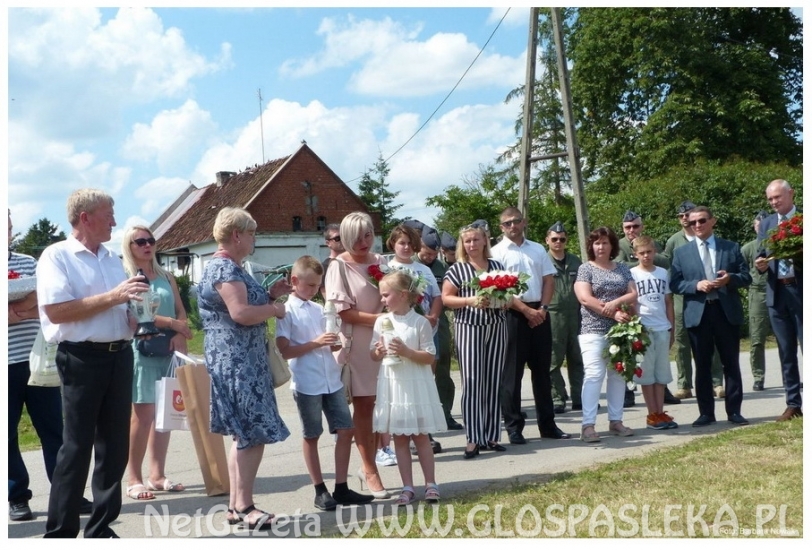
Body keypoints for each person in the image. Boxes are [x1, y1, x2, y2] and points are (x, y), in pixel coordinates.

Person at [37, 189, 150, 538]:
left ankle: (101, 528)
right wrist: (116, 296)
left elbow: (117, 306)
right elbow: (57, 310)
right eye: (109, 214)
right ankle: (61, 533)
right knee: (76, 446)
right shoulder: (57, 256)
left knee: (115, 447)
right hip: (81, 357)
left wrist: (134, 317)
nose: (115, 222)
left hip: (120, 355)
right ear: (85, 217)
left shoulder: (112, 259)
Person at [197, 207, 291, 530]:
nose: (254, 238)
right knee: (253, 431)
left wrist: (268, 294)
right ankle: (246, 506)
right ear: (236, 235)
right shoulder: (225, 268)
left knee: (243, 434)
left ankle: (236, 506)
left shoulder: (227, 267)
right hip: (238, 362)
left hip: (238, 359)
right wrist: (274, 309)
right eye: (251, 233)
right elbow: (239, 313)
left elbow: (238, 306)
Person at [8, 211, 92, 522]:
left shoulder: (27, 263)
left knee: (55, 430)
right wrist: (24, 307)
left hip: (36, 359)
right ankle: (17, 496)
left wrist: (17, 312)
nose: (8, 229)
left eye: (9, 224)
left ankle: (67, 493)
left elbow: (43, 299)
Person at [275, 256, 375, 511]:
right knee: (312, 434)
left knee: (346, 429)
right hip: (306, 381)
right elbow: (284, 350)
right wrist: (316, 343)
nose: (313, 290)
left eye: (317, 285)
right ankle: (319, 488)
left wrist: (336, 343)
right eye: (309, 285)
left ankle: (341, 487)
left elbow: (331, 343)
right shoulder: (287, 311)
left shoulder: (321, 309)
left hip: (331, 378)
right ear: (294, 281)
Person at [122, 225, 193, 501]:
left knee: (165, 414)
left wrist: (179, 331)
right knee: (142, 416)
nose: (147, 245)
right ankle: (134, 478)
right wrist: (174, 324)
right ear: (129, 246)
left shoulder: (165, 276)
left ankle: (157, 474)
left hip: (169, 349)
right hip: (143, 349)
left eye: (150, 240)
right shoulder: (129, 277)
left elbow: (180, 308)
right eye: (140, 241)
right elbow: (138, 314)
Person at [323, 211, 390, 499]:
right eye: (357, 237)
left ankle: (375, 458)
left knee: (381, 405)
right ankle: (368, 468)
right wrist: (380, 320)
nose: (364, 242)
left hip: (386, 340)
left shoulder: (382, 262)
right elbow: (344, 311)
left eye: (368, 235)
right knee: (364, 406)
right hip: (358, 343)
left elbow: (398, 293)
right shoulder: (338, 266)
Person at [491, 207, 569, 444]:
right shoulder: (496, 252)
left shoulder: (537, 249)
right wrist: (525, 310)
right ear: (501, 227)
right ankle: (514, 428)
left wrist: (542, 309)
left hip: (540, 312)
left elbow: (548, 279)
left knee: (542, 373)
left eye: (516, 221)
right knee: (511, 375)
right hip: (513, 313)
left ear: (524, 221)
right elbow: (498, 289)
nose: (512, 226)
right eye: (507, 223)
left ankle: (548, 425)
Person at [670, 205, 751, 428]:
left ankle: (734, 411)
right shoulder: (681, 253)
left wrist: (730, 278)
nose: (697, 225)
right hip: (699, 313)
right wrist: (696, 284)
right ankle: (706, 413)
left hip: (725, 311)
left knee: (731, 363)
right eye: (692, 222)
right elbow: (674, 283)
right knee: (703, 365)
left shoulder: (730, 247)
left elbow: (746, 277)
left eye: (702, 220)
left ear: (712, 221)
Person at [370, 270, 446, 505]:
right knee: (400, 438)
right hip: (394, 386)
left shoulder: (420, 322)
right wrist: (378, 352)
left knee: (421, 436)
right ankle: (407, 486)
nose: (382, 300)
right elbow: (373, 354)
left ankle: (431, 483)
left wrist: (407, 352)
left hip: (415, 385)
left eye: (385, 295)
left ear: (403, 295)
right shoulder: (382, 321)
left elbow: (429, 357)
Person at [442, 222, 508, 459]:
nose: (472, 244)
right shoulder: (457, 269)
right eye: (467, 241)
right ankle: (473, 438)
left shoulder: (497, 266)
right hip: (469, 327)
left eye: (476, 240)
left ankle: (491, 435)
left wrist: (502, 300)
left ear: (484, 241)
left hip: (497, 326)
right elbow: (446, 298)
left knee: (493, 380)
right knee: (472, 382)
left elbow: (509, 296)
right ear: (463, 244)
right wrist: (470, 301)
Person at [574, 227, 638, 443]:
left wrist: (617, 306)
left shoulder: (622, 268)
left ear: (612, 246)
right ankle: (588, 425)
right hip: (593, 330)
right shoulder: (585, 269)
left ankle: (616, 421)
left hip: (620, 332)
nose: (601, 247)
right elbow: (585, 298)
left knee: (618, 375)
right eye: (597, 243)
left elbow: (633, 293)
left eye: (605, 243)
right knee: (593, 375)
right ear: (591, 246)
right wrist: (612, 312)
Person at [386, 223, 445, 453]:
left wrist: (433, 316)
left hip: (425, 331)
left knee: (425, 381)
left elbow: (437, 297)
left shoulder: (424, 269)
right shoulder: (386, 267)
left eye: (411, 243)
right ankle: (402, 435)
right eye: (402, 243)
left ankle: (423, 432)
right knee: (400, 384)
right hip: (399, 333)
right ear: (393, 243)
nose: (407, 247)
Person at [663, 201, 725, 400]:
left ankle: (717, 383)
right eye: (681, 216)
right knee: (682, 343)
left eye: (688, 214)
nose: (685, 219)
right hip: (683, 299)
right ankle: (684, 384)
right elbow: (669, 270)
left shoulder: (707, 235)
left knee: (712, 342)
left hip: (709, 298)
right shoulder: (674, 241)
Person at [755, 179, 803, 421]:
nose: (774, 202)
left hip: (802, 291)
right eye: (770, 199)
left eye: (778, 197)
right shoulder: (767, 224)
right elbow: (759, 254)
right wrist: (760, 264)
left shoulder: (804, 220)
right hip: (777, 293)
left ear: (791, 194)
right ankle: (793, 403)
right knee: (786, 352)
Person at [630, 236, 677, 430]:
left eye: (649, 252)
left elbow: (668, 302)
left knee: (661, 373)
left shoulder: (662, 273)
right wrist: (635, 328)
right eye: (641, 253)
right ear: (635, 254)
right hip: (644, 328)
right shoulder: (632, 274)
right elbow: (632, 304)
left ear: (654, 252)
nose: (646, 256)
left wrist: (671, 327)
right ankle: (651, 414)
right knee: (646, 373)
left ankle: (660, 412)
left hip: (662, 327)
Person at [416, 230, 461, 430]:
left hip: (438, 323)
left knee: (442, 366)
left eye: (434, 254)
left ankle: (445, 414)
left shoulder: (443, 268)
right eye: (427, 253)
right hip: (414, 324)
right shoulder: (411, 267)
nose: (430, 258)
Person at [545, 221, 584, 414]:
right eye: (554, 239)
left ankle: (579, 398)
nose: (558, 242)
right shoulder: (543, 261)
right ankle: (557, 398)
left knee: (577, 359)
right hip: (553, 316)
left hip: (575, 315)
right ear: (547, 241)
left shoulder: (576, 261)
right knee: (553, 360)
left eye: (561, 239)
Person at [740, 211, 770, 391]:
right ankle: (759, 376)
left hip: (779, 290)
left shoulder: (778, 243)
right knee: (757, 339)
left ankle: (792, 375)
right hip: (757, 293)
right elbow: (742, 274)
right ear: (754, 227)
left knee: (786, 338)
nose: (762, 228)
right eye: (759, 225)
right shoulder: (748, 248)